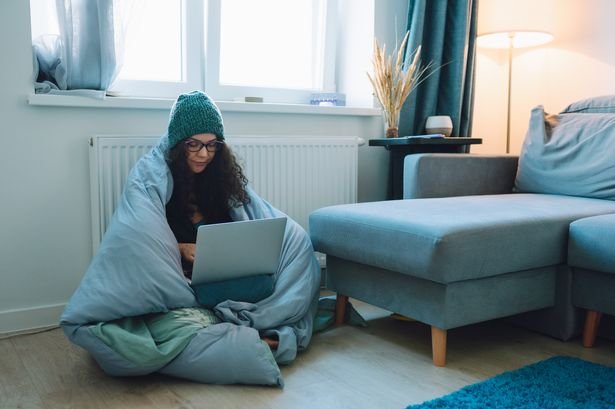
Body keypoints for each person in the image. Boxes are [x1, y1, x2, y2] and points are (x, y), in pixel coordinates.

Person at [164, 91, 250, 278]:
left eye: (212, 144)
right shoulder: (163, 187)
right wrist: (179, 248)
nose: (204, 154)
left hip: (222, 270)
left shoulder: (220, 181)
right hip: (183, 273)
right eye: (193, 144)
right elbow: (146, 241)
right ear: (179, 146)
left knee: (262, 282)